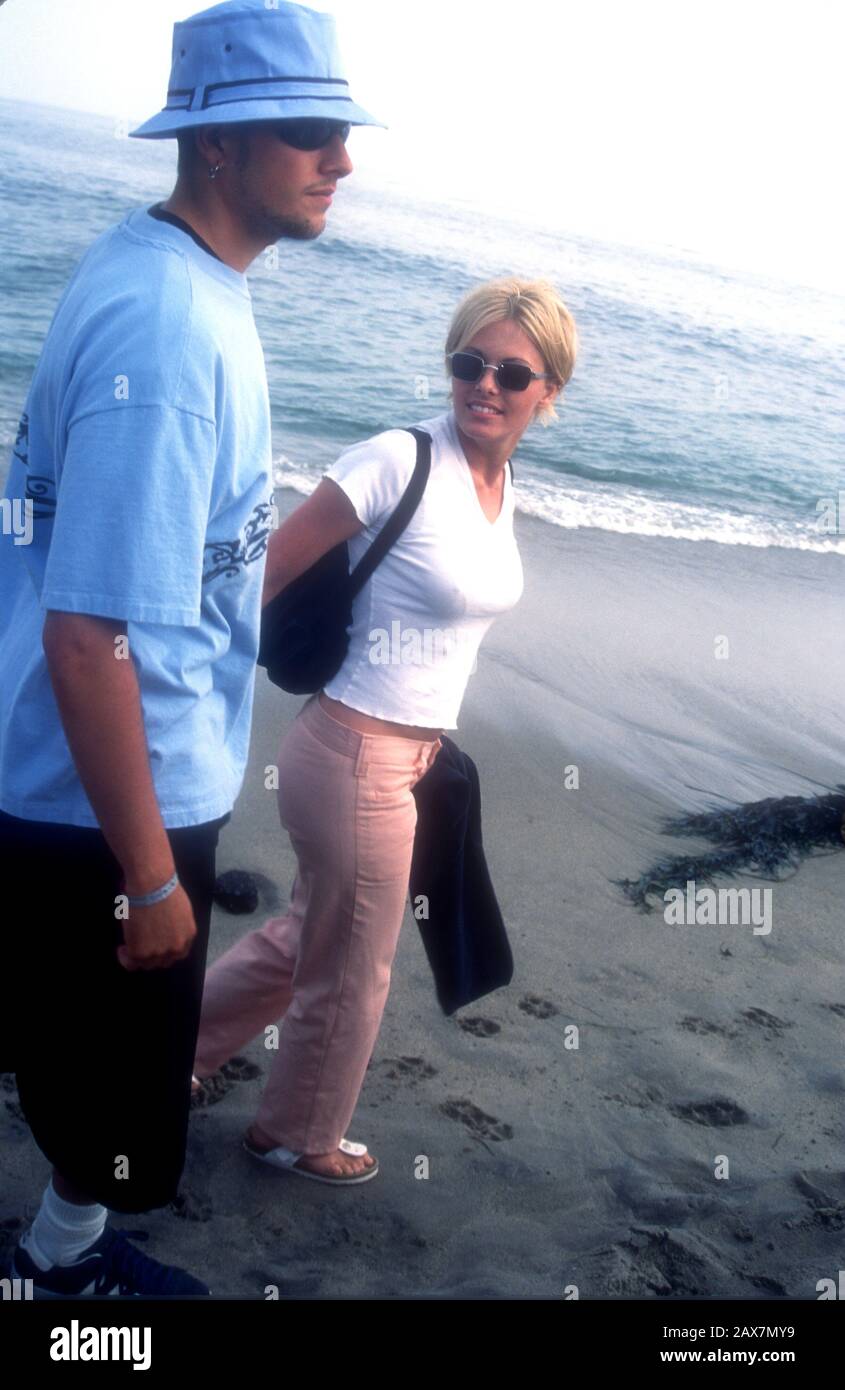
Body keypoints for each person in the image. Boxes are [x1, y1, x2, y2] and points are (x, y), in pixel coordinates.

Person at [0, 0, 382, 1296]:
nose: (340, 158)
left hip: (115, 778)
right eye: (309, 133)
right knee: (110, 1090)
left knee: (76, 1054)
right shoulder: (168, 333)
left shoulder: (176, 276)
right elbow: (89, 634)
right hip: (111, 795)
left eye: (342, 131)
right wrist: (155, 876)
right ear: (215, 146)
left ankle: (64, 1242)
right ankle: (62, 1275)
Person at [190, 276, 579, 1184]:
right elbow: (259, 579)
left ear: (547, 392)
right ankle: (293, 1133)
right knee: (354, 972)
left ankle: (176, 1047)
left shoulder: (498, 481)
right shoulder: (395, 460)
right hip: (351, 754)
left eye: (510, 374)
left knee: (309, 937)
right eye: (467, 363)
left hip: (408, 760)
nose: (483, 384)